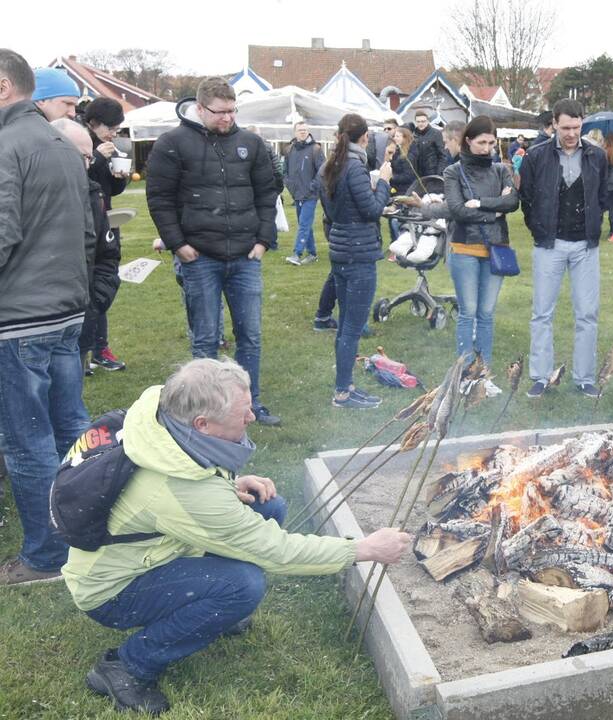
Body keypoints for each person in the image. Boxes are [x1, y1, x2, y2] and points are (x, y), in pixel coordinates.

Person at [63, 358, 412, 714]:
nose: (252, 418)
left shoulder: (166, 416)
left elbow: (184, 484)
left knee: (269, 508)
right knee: (243, 585)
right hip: (113, 589)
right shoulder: (181, 491)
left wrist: (228, 486)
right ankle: (126, 666)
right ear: (203, 424)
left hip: (154, 547)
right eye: (243, 412)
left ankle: (210, 612)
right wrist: (363, 548)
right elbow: (276, 552)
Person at [0, 49, 94, 585]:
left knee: (27, 441)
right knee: (71, 431)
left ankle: (45, 557)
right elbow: (85, 234)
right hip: (64, 312)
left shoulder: (9, 143)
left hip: (21, 320)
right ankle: (86, 533)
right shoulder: (60, 141)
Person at [146, 77, 282, 426]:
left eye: (233, 111)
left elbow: (268, 194)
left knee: (250, 336)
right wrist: (179, 244)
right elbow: (159, 199)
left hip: (244, 257)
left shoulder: (250, 143)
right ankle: (202, 409)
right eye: (220, 112)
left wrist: (263, 240)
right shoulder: (172, 143)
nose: (228, 118)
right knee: (205, 340)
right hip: (199, 257)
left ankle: (250, 406)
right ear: (200, 107)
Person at [519, 98, 608, 399]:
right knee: (542, 313)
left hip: (585, 246)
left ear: (583, 123)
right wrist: (540, 230)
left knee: (587, 314)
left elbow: (603, 196)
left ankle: (584, 378)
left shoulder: (597, 156)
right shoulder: (536, 156)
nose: (571, 133)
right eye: (565, 127)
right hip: (549, 245)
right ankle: (540, 376)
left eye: (577, 126)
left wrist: (594, 227)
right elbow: (527, 199)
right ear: (554, 123)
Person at [320, 113, 392, 409]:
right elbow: (373, 209)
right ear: (364, 138)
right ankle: (343, 393)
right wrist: (384, 183)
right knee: (351, 327)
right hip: (359, 253)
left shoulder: (331, 166)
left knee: (345, 325)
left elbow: (332, 210)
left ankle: (346, 385)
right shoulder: (355, 167)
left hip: (340, 250)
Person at [443, 115, 519, 367]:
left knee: (486, 313)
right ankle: (465, 371)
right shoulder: (453, 171)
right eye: (481, 142)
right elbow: (457, 210)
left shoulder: (501, 170)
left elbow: (512, 203)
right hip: (464, 247)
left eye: (491, 142)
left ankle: (483, 371)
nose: (487, 148)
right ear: (468, 141)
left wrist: (482, 204)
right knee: (468, 312)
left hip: (496, 248)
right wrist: (495, 212)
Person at [53, 119, 122, 380]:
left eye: (89, 157)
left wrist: (95, 301)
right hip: (35, 321)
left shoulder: (93, 194)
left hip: (81, 314)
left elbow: (107, 255)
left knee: (71, 400)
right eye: (81, 156)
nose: (86, 164)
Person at [80, 97, 130, 372]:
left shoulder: (106, 147)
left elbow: (107, 188)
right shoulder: (78, 142)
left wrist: (119, 177)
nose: (113, 134)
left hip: (107, 221)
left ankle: (99, 349)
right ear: (93, 123)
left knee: (104, 285)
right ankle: (85, 352)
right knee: (88, 289)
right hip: (86, 224)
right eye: (110, 128)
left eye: (116, 129)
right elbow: (81, 176)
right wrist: (98, 156)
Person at [284, 121, 324, 266]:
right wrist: (289, 185)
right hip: (297, 194)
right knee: (305, 224)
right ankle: (312, 253)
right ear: (295, 132)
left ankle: (297, 253)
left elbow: (322, 171)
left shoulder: (316, 149)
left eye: (305, 130)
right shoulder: (290, 149)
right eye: (300, 130)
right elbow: (285, 170)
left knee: (304, 224)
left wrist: (312, 187)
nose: (303, 132)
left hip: (311, 195)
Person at [410, 110, 446, 178]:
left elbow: (443, 155)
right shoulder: (413, 135)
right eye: (418, 121)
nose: (421, 123)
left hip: (432, 173)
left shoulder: (436, 133)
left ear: (427, 121)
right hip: (417, 174)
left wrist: (438, 173)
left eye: (423, 121)